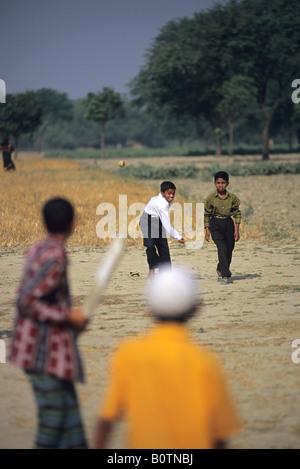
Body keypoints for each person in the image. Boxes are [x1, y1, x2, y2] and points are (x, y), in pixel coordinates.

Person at [94, 266, 241, 449]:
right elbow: (219, 437)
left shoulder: (129, 354)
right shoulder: (206, 362)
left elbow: (107, 420)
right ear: (195, 309)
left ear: (149, 309)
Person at [10, 197, 89, 449]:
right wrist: (68, 316)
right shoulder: (55, 257)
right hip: (40, 352)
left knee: (72, 420)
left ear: (44, 223)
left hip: (48, 349)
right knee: (54, 421)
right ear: (73, 224)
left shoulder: (38, 248)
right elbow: (27, 301)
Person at [139, 181, 185, 277]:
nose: (172, 196)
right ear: (162, 193)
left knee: (163, 247)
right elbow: (167, 225)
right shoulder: (161, 204)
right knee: (150, 246)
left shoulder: (166, 199)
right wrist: (178, 237)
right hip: (147, 221)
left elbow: (163, 220)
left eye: (173, 193)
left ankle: (164, 268)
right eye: (169, 193)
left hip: (158, 221)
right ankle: (152, 268)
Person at [204, 171, 241, 284]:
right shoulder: (211, 198)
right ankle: (225, 275)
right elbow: (206, 215)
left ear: (227, 183)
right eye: (218, 183)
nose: (221, 185)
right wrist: (207, 230)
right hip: (215, 223)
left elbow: (237, 214)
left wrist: (237, 230)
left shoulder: (232, 198)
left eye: (223, 183)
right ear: (215, 183)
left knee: (229, 248)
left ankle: (220, 268)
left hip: (228, 223)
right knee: (222, 247)